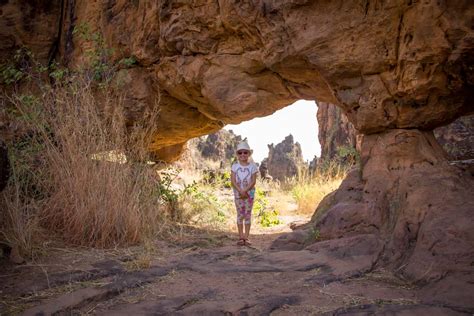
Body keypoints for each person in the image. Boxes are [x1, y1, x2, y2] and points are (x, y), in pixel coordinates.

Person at [231, 141, 258, 246]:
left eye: (245, 152)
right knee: (240, 214)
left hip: (249, 194)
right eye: (240, 153)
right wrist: (240, 190)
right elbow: (233, 181)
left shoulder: (252, 167)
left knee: (247, 214)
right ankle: (240, 237)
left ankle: (246, 237)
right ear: (237, 154)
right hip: (238, 194)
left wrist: (245, 190)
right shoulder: (235, 166)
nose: (243, 155)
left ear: (249, 154)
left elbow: (253, 181)